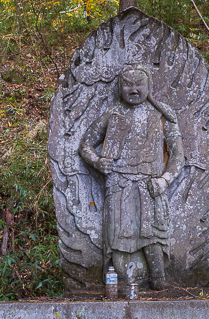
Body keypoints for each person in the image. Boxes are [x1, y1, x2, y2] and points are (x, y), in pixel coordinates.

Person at [79, 65, 184, 290]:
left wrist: (165, 180)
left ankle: (158, 277)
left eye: (139, 84)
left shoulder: (161, 114)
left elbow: (178, 154)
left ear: (149, 86)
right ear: (119, 87)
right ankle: (118, 283)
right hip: (119, 183)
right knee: (118, 234)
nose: (134, 89)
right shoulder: (112, 113)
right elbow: (85, 144)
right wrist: (97, 161)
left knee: (152, 232)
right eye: (128, 84)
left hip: (150, 183)